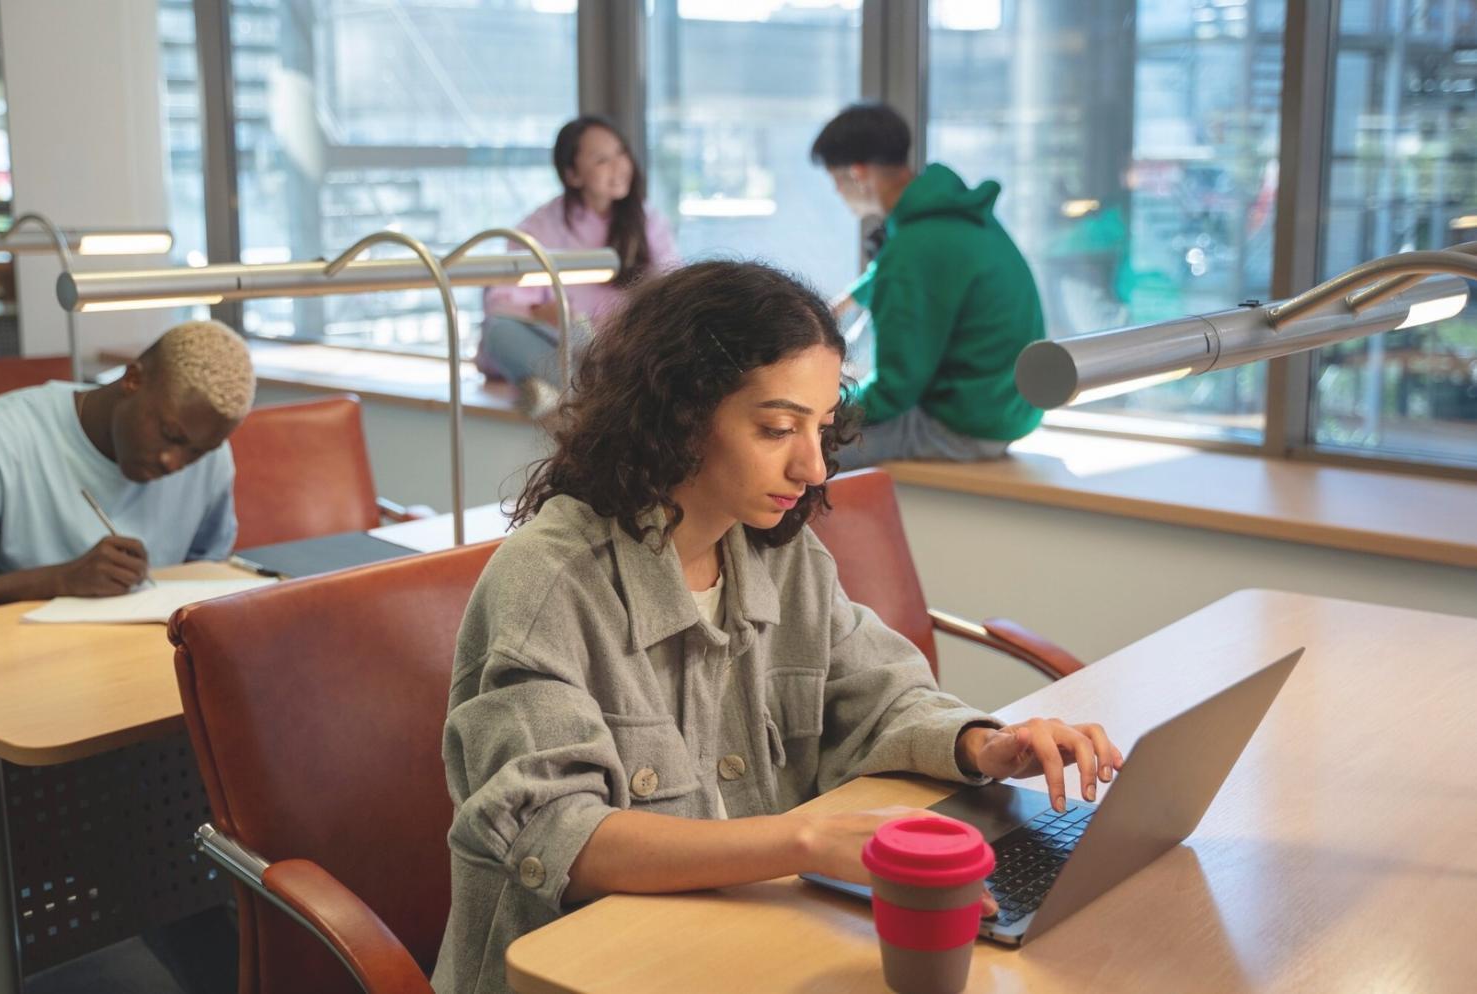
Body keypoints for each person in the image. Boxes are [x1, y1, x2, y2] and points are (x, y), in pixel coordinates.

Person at [432, 261, 1122, 994]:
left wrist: (986, 744)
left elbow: (878, 696)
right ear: (678, 414)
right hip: (583, 968)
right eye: (777, 428)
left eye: (822, 428)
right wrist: (806, 841)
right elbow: (559, 833)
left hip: (741, 937)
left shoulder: (780, 552)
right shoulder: (550, 581)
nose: (815, 465)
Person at [811, 103, 1045, 468]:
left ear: (857, 175)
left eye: (836, 182)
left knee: (795, 458)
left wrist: (815, 415)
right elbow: (909, 272)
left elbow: (893, 391)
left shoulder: (912, 251)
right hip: (1008, 409)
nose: (838, 194)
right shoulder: (956, 217)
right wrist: (847, 301)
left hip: (963, 425)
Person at [0, 319, 255, 606]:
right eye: (170, 435)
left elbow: (209, 568)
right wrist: (58, 581)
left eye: (197, 452)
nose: (173, 462)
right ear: (133, 380)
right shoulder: (1, 437)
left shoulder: (213, 458)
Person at [476, 114, 679, 414]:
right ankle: (588, 393)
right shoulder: (540, 227)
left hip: (625, 353)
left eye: (621, 153)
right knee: (499, 333)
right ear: (573, 175)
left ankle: (558, 392)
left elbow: (674, 292)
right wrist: (545, 312)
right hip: (570, 351)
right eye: (601, 160)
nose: (618, 166)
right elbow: (503, 300)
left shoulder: (648, 222)